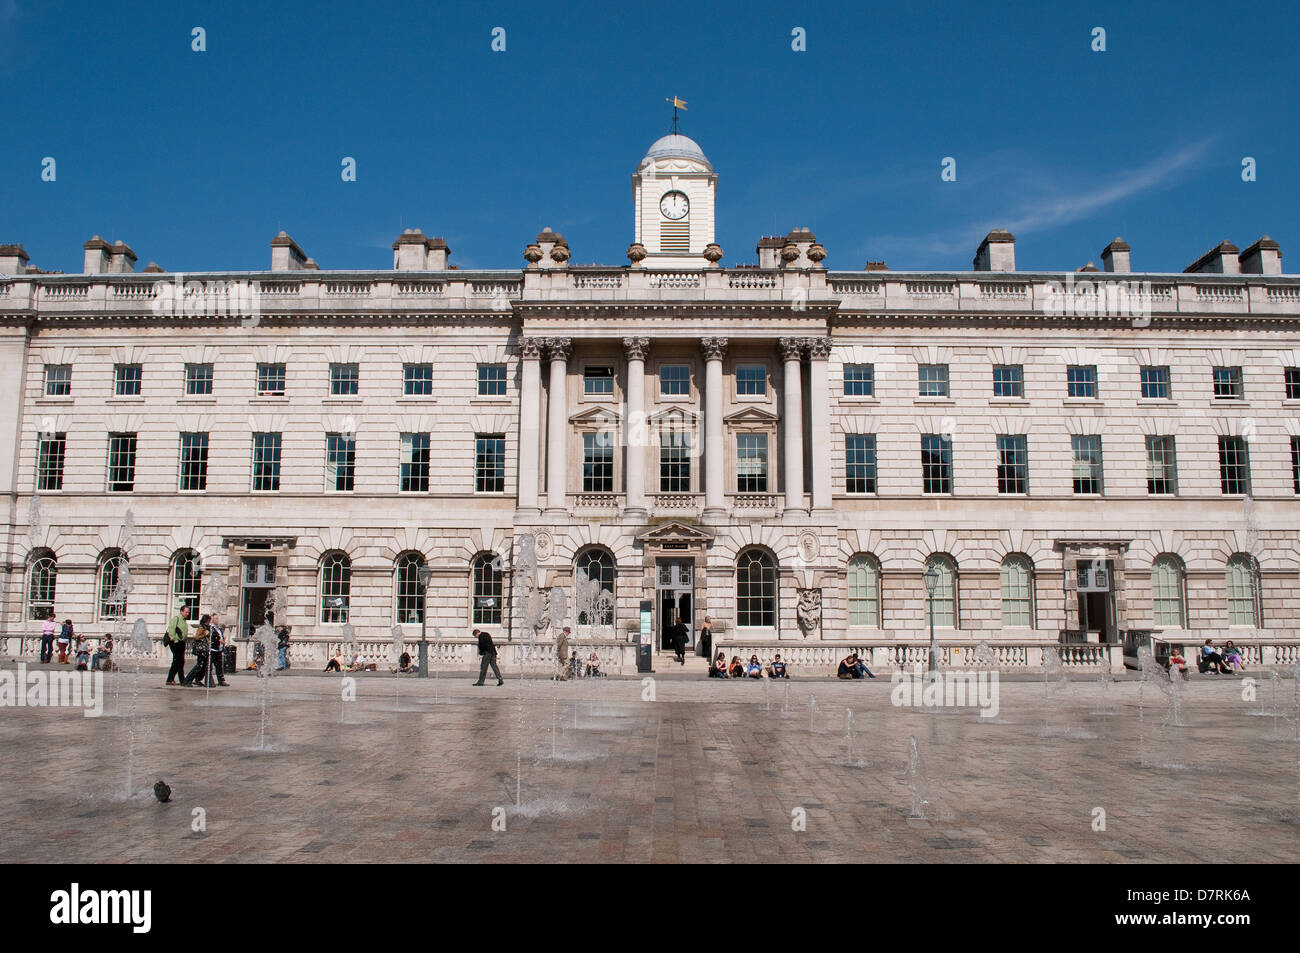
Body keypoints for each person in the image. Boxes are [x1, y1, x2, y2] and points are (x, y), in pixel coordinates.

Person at [164, 605, 190, 686]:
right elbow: (171, 630)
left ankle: (170, 679)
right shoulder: (176, 618)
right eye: (186, 612)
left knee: (177, 661)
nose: (187, 614)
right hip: (176, 642)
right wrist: (175, 640)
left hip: (181, 642)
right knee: (179, 661)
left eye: (188, 612)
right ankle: (182, 679)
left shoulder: (184, 620)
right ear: (181, 611)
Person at [184, 614, 212, 686]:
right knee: (199, 665)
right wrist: (205, 634)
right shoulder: (201, 627)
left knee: (204, 666)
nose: (209, 622)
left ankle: (198, 679)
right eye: (208, 621)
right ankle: (188, 680)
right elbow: (197, 637)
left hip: (204, 649)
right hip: (201, 650)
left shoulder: (206, 627)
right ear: (206, 621)